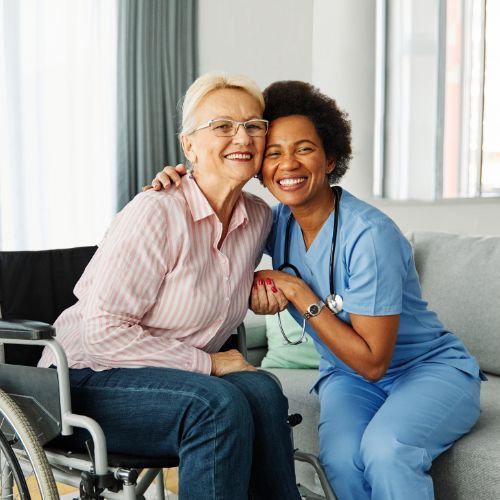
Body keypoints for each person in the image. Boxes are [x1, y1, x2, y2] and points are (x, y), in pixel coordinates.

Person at [150, 80, 484, 500]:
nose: (288, 164)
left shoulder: (369, 235)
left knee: (386, 450)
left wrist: (295, 290)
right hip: (346, 376)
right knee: (341, 461)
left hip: (427, 372)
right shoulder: (271, 224)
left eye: (304, 149)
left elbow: (374, 363)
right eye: (273, 152)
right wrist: (179, 179)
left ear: (331, 159)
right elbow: (210, 228)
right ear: (260, 168)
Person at [38, 72, 301, 500]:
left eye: (254, 125)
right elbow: (102, 334)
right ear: (189, 146)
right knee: (216, 404)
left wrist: (257, 283)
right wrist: (210, 365)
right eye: (223, 126)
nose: (244, 136)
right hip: (83, 380)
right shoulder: (157, 212)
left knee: (263, 391)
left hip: (172, 379)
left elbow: (225, 270)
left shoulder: (258, 219)